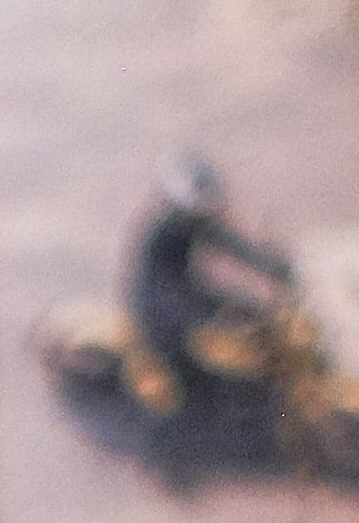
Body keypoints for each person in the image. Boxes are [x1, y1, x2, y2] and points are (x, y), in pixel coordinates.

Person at [122, 154, 296, 414]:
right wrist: (219, 310)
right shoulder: (165, 234)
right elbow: (168, 292)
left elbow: (233, 245)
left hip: (183, 293)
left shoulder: (192, 221)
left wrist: (274, 267)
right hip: (159, 307)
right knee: (198, 384)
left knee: (253, 320)